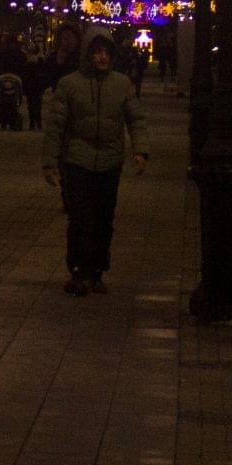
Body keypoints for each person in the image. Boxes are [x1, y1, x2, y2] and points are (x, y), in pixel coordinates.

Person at [42, 35, 148, 296]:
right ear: (87, 55)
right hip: (77, 160)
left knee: (103, 218)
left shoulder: (122, 84)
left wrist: (140, 150)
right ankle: (78, 270)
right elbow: (56, 126)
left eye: (106, 52)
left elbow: (136, 119)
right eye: (97, 52)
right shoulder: (69, 85)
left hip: (110, 161)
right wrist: (50, 162)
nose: (102, 57)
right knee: (79, 217)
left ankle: (98, 270)